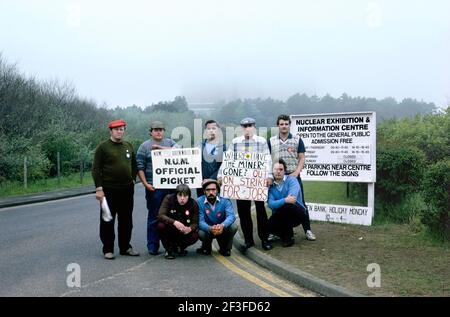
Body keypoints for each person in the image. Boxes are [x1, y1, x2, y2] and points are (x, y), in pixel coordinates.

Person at [218, 117, 273, 251]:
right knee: (243, 212)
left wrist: (269, 175)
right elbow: (228, 160)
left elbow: (267, 159)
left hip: (257, 181)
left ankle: (265, 239)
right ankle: (248, 240)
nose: (247, 128)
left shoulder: (261, 141)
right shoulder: (236, 142)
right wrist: (221, 174)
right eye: (245, 126)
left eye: (250, 125)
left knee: (261, 211)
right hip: (240, 182)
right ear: (241, 128)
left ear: (254, 127)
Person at [92, 119, 140, 260]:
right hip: (108, 190)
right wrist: (99, 188)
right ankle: (108, 249)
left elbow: (134, 165)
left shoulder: (128, 146)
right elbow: (96, 169)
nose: (120, 132)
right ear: (111, 131)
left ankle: (125, 247)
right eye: (117, 129)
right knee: (107, 219)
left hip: (126, 190)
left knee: (126, 220)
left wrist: (133, 179)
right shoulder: (103, 147)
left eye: (122, 129)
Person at [268, 114, 316, 241]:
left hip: (292, 175)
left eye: (286, 124)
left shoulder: (297, 139)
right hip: (277, 176)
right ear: (278, 125)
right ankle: (275, 231)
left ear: (289, 125)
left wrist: (296, 172)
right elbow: (267, 159)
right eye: (281, 124)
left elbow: (302, 158)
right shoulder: (271, 141)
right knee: (278, 203)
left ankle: (308, 230)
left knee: (300, 203)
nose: (284, 126)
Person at [136, 121, 180, 255]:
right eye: (155, 130)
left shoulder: (171, 143)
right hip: (154, 187)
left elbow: (180, 152)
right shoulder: (144, 146)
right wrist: (145, 184)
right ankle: (153, 245)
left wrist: (160, 149)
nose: (158, 132)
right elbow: (140, 167)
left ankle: (173, 244)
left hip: (172, 187)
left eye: (161, 129)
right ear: (151, 131)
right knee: (154, 216)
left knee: (173, 216)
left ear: (164, 131)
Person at [268, 160, 307, 247]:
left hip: (297, 213)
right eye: (276, 169)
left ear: (284, 171)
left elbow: (292, 199)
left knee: (287, 207)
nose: (278, 171)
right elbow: (270, 204)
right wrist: (285, 200)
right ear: (272, 171)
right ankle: (281, 233)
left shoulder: (292, 180)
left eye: (281, 169)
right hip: (280, 214)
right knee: (268, 226)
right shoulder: (271, 187)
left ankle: (289, 238)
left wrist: (279, 202)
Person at [196, 179, 237, 257]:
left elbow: (231, 216)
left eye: (213, 189)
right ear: (204, 191)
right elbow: (200, 221)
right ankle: (206, 247)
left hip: (222, 228)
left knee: (233, 227)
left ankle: (226, 248)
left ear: (217, 190)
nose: (211, 192)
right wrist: (210, 228)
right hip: (208, 229)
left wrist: (222, 225)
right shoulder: (199, 201)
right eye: (208, 190)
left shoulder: (225, 200)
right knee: (200, 232)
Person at [157, 184, 199, 259]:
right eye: (180, 195)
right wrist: (174, 222)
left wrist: (190, 228)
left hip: (184, 230)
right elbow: (160, 215)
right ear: (176, 195)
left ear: (189, 196)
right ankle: (168, 249)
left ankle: (180, 247)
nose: (182, 198)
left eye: (185, 196)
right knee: (160, 226)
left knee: (195, 235)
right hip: (171, 228)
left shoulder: (193, 204)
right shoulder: (169, 198)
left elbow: (195, 223)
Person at [196, 120, 227, 198]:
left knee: (217, 208)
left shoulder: (223, 148)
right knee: (202, 208)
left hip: (216, 185)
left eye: (214, 128)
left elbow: (224, 166)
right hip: (201, 185)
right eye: (208, 129)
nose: (211, 131)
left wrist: (211, 179)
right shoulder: (199, 147)